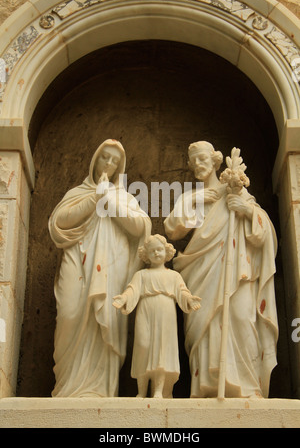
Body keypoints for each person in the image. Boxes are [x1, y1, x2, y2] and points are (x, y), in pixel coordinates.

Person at [164, 141, 278, 398]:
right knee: (204, 326)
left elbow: (265, 234)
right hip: (201, 270)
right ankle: (207, 385)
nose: (197, 165)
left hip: (237, 271)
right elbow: (173, 230)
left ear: (216, 162)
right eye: (193, 162)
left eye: (202, 160)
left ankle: (248, 387)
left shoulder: (234, 190)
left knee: (240, 317)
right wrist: (194, 198)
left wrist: (246, 210)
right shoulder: (196, 198)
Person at [49, 139, 151, 397]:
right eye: (105, 157)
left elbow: (140, 228)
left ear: (120, 167)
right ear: (95, 159)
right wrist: (96, 197)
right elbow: (59, 222)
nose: (109, 163)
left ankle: (100, 391)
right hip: (78, 259)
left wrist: (110, 201)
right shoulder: (78, 193)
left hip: (111, 265)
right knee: (70, 313)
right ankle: (67, 386)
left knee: (106, 316)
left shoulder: (123, 197)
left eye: (115, 161)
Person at [113, 234, 201, 398]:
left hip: (165, 314)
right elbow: (132, 290)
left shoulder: (174, 276)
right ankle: (141, 391)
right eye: (152, 251)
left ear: (166, 251)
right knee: (143, 346)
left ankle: (159, 391)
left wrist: (189, 299)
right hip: (146, 312)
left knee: (162, 350)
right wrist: (123, 298)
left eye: (159, 249)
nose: (156, 253)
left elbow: (182, 291)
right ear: (146, 255)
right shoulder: (141, 275)